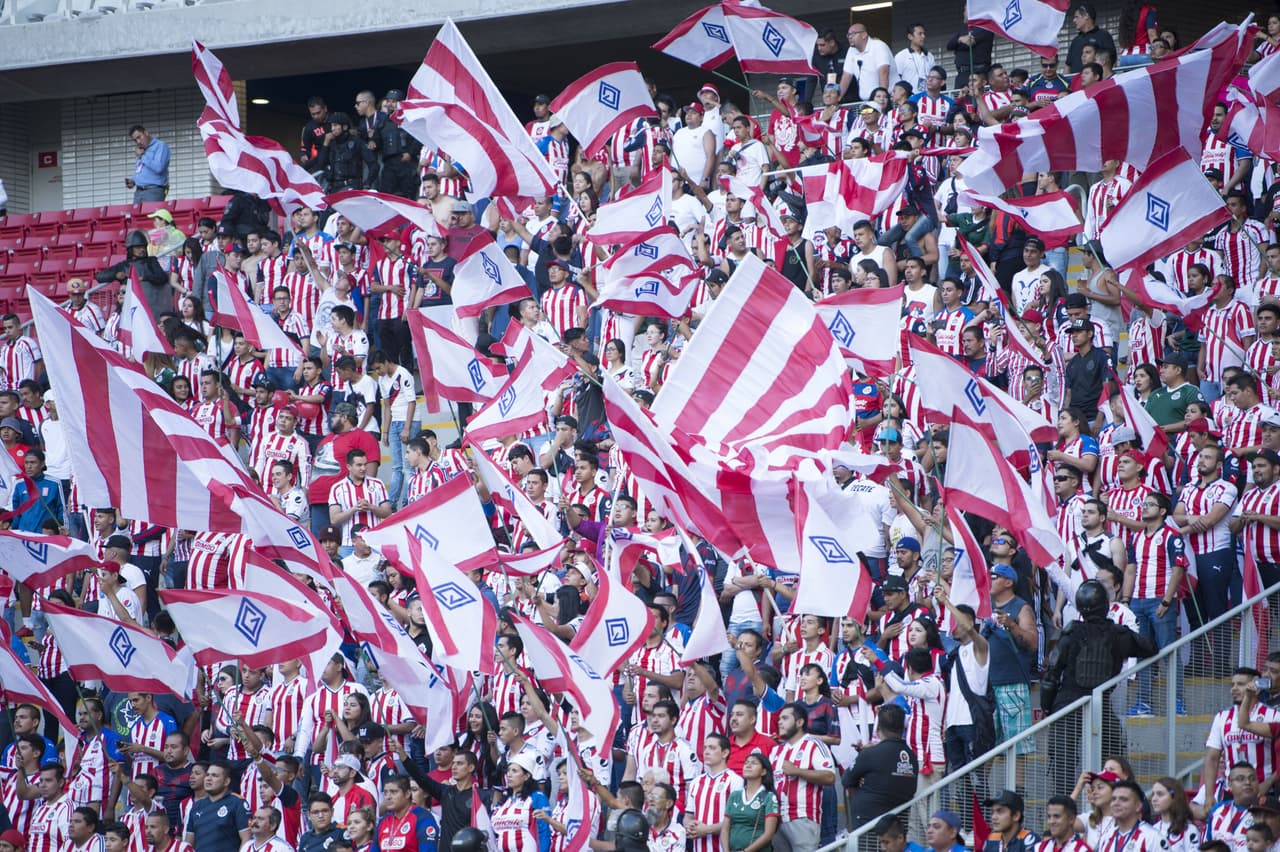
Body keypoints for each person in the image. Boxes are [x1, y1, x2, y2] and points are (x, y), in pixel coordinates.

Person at [845, 704, 918, 831]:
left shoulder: (870, 754)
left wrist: (864, 756)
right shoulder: (912, 756)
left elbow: (847, 780)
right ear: (902, 727)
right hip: (897, 829)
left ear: (878, 727)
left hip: (868, 826)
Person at [126, 125, 170, 203]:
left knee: (151, 211)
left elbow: (159, 168)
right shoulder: (141, 150)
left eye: (139, 137)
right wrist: (133, 180)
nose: (138, 142)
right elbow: (140, 169)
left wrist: (142, 156)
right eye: (135, 140)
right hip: (138, 192)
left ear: (146, 133)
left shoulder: (160, 146)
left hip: (153, 191)